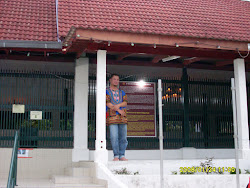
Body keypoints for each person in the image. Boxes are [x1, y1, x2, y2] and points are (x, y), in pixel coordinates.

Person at [106, 74, 128, 161]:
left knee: (123, 137)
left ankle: (122, 154)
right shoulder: (106, 91)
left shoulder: (122, 92)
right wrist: (119, 110)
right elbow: (107, 103)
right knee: (114, 136)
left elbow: (125, 102)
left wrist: (118, 105)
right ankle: (116, 155)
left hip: (123, 118)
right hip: (112, 117)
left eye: (118, 79)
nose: (116, 81)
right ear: (110, 80)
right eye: (114, 79)